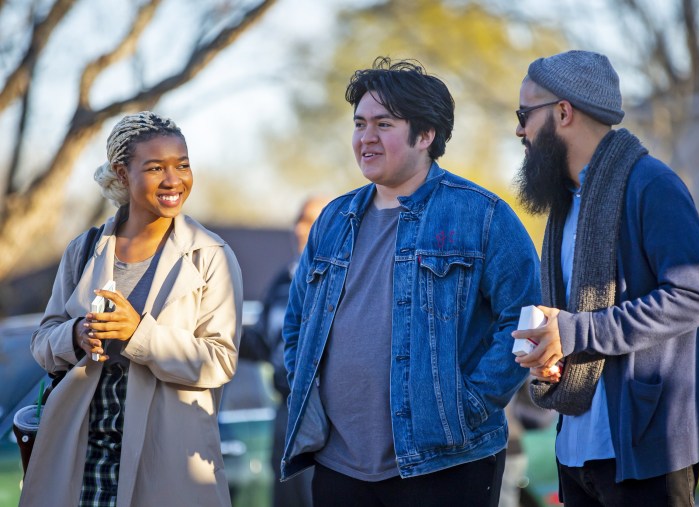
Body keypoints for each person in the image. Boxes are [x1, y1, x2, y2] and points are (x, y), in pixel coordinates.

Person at [281, 57, 541, 507]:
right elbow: (296, 324)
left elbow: (524, 319)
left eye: (384, 124)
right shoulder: (331, 220)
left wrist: (470, 407)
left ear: (426, 136)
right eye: (360, 123)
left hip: (446, 462)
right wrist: (309, 391)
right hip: (338, 464)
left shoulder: (482, 216)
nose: (366, 138)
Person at [511, 50, 699, 506]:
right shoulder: (564, 205)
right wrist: (551, 349)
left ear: (563, 112)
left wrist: (573, 331)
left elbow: (694, 295)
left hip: (648, 447)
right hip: (576, 452)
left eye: (525, 114)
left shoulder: (651, 184)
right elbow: (571, 323)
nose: (519, 129)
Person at [21, 111, 244, 507]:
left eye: (183, 165)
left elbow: (220, 361)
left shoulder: (211, 256)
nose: (174, 180)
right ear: (122, 174)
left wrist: (139, 333)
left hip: (167, 462)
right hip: (82, 455)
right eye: (156, 167)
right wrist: (76, 334)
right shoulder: (84, 249)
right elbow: (42, 343)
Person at [239, 195, 329, 507]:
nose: (304, 229)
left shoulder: (350, 277)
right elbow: (263, 344)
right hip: (286, 409)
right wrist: (214, 331)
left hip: (329, 414)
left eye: (314, 221)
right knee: (286, 499)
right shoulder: (282, 280)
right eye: (300, 220)